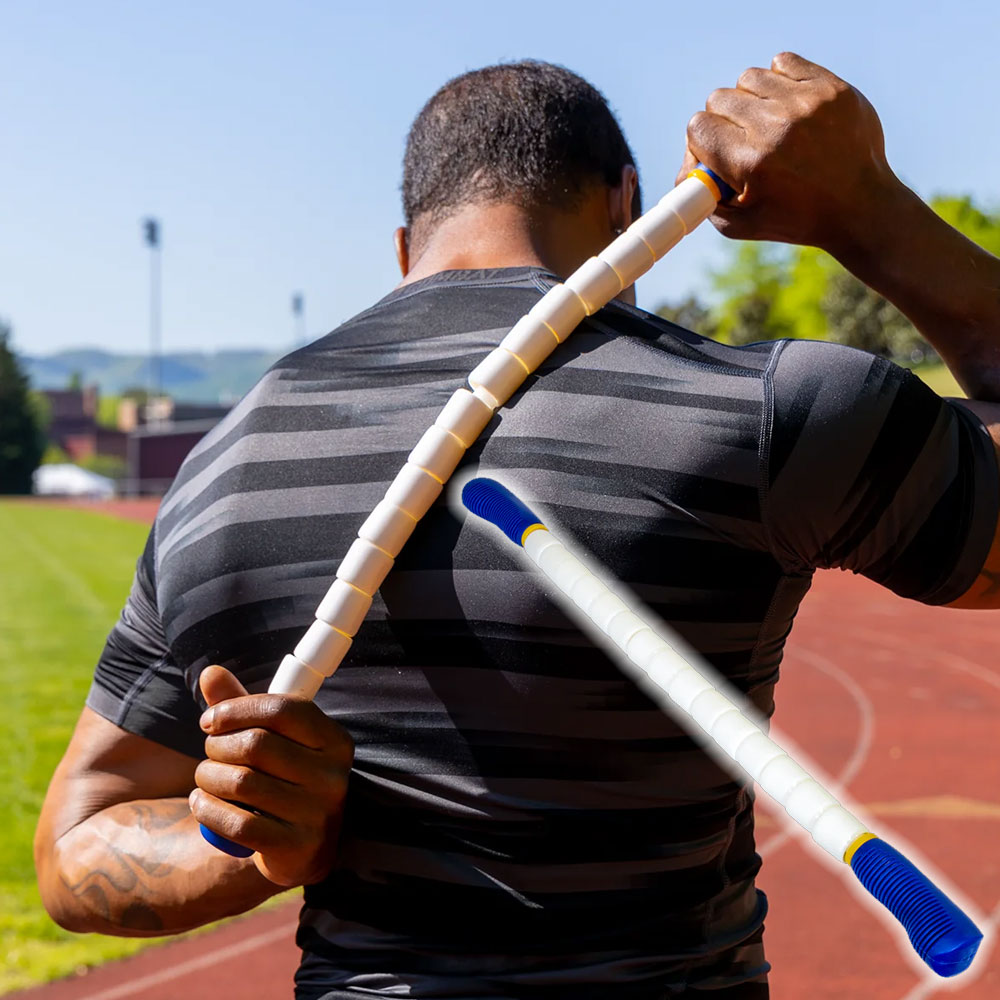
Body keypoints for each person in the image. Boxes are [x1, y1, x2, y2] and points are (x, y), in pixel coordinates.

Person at [34, 54, 1000, 999]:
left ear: (406, 251)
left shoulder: (228, 461)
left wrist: (246, 844)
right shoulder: (758, 411)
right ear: (627, 205)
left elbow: (76, 842)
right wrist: (872, 214)